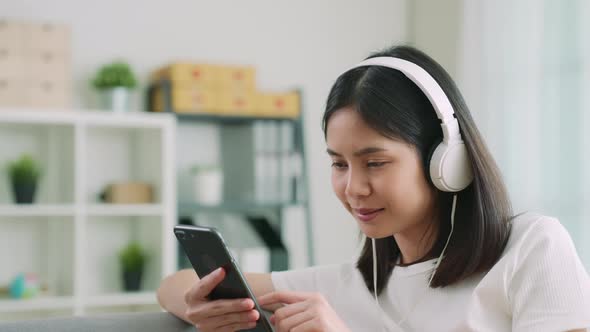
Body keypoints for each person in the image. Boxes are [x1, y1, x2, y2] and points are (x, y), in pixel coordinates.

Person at [157, 45, 590, 331]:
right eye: (338, 164)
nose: (353, 188)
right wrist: (202, 306)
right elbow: (172, 284)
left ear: (446, 160)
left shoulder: (531, 248)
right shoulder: (351, 284)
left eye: (375, 163)